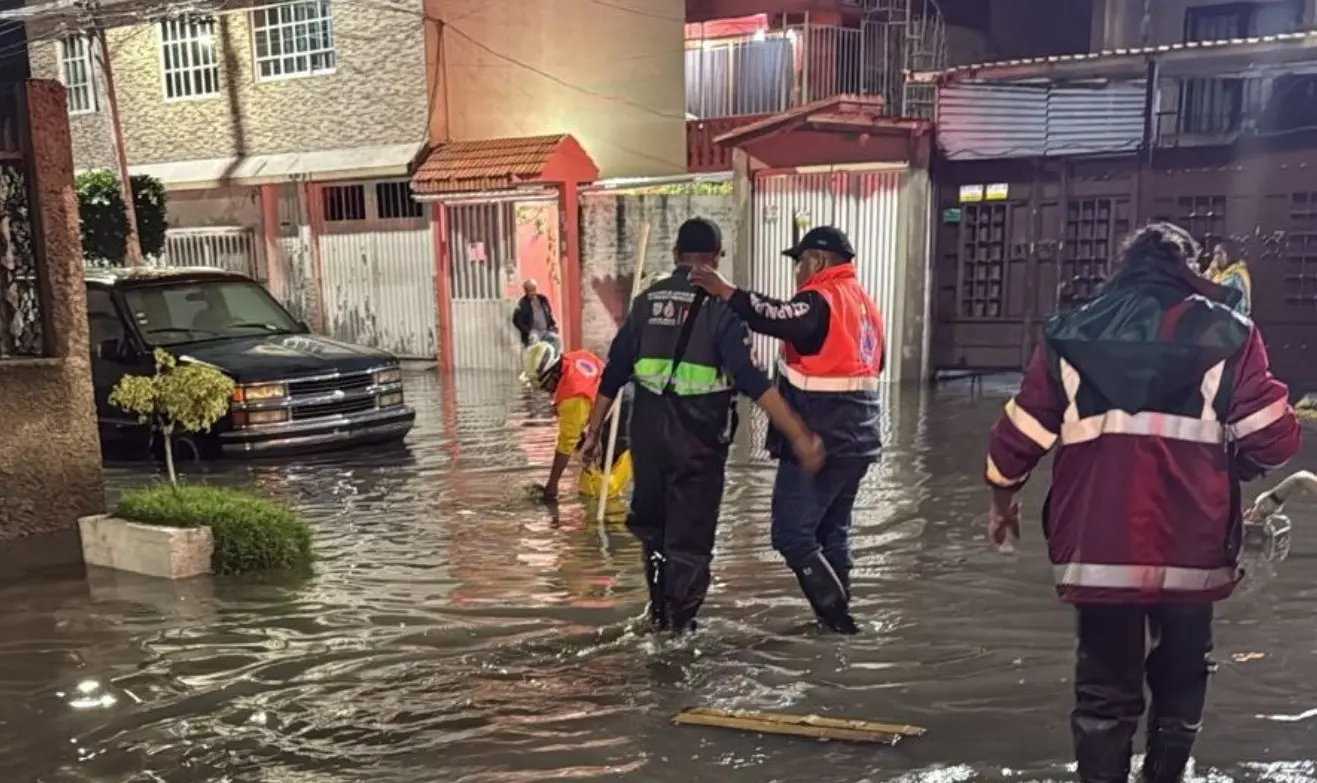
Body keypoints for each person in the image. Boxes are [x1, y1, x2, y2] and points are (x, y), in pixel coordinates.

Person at [982, 222, 1299, 783]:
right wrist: (1239, 463)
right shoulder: (1231, 333)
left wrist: (1002, 498)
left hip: (1099, 546)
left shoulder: (1069, 334)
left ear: (1123, 268)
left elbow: (1019, 436)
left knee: (1103, 693)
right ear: (1190, 269)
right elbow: (1275, 438)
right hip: (1194, 546)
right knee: (1182, 677)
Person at [580, 217, 825, 635]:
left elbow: (614, 372)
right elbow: (753, 382)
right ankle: (679, 633)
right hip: (697, 439)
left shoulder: (646, 302)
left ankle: (658, 618)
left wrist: (592, 434)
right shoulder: (722, 308)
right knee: (690, 542)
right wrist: (799, 434)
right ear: (716, 258)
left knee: (654, 532)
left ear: (676, 253)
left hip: (647, 436)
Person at [689, 225, 881, 635]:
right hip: (861, 438)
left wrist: (727, 292)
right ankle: (836, 636)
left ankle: (840, 624)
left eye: (799, 262)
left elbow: (775, 316)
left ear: (817, 260)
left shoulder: (820, 299)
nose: (797, 272)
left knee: (792, 535)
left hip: (822, 439)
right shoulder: (864, 304)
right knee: (832, 535)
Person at [522, 341, 632, 504]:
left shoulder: (572, 396)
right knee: (592, 472)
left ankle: (613, 518)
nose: (545, 391)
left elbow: (565, 445)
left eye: (544, 385)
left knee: (597, 490)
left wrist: (552, 486)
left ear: (552, 375)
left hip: (620, 415)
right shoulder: (577, 357)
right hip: (627, 397)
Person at [1205, 239, 1252, 317]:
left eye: (1220, 253)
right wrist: (1210, 273)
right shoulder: (1216, 273)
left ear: (1229, 254)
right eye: (1215, 254)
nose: (1216, 258)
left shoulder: (1237, 274)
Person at [513, 279, 558, 346]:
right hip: (534, 332)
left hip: (546, 330)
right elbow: (516, 320)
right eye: (529, 290)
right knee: (534, 342)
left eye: (533, 289)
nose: (531, 292)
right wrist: (527, 331)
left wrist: (554, 324)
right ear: (525, 291)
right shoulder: (522, 303)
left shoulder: (543, 299)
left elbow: (549, 312)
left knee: (555, 340)